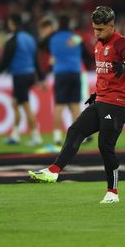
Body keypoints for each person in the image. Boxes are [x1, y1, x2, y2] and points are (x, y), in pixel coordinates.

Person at [29, 6, 125, 203]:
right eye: (94, 29)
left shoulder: (122, 42)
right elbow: (104, 73)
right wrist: (96, 93)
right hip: (102, 99)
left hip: (118, 102)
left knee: (105, 146)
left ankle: (112, 193)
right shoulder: (98, 45)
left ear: (111, 25)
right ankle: (54, 171)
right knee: (75, 130)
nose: (96, 33)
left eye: (100, 29)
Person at [37, 15, 93, 148]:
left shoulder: (52, 37)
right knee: (75, 106)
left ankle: (57, 137)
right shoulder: (75, 37)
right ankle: (81, 137)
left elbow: (40, 45)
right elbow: (88, 56)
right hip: (75, 73)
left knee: (59, 106)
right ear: (70, 25)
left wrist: (53, 54)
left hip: (60, 74)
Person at [0, 14, 44, 146]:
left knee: (26, 106)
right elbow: (36, 59)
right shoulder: (30, 38)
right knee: (15, 103)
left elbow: (6, 59)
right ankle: (15, 135)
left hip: (20, 75)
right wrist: (41, 77)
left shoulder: (13, 39)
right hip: (30, 74)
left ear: (12, 24)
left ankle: (36, 136)